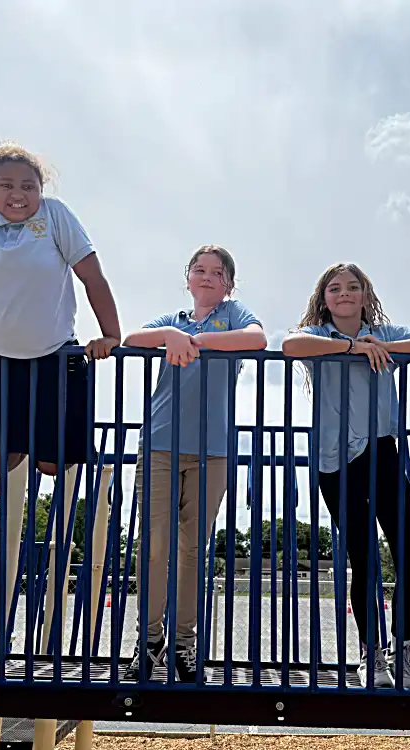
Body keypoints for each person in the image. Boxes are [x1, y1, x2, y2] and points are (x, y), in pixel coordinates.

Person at [281, 262, 410, 689]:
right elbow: (289, 346)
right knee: (363, 558)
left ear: (365, 294)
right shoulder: (319, 337)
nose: (344, 294)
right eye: (334, 288)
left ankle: (401, 652)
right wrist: (352, 350)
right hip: (335, 460)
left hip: (383, 451)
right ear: (323, 299)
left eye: (353, 287)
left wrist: (384, 347)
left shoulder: (385, 335)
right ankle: (371, 655)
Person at [0, 142, 122, 478]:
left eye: (29, 186)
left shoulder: (55, 214)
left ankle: (39, 435)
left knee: (51, 465)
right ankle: (22, 431)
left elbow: (92, 276)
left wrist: (111, 334)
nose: (18, 194)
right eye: (6, 185)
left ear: (41, 191)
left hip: (53, 354)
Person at [121, 244, 266, 681]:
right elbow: (131, 339)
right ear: (187, 278)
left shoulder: (234, 314)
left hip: (213, 449)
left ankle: (183, 644)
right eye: (199, 270)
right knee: (154, 544)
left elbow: (257, 339)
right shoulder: (171, 321)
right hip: (161, 442)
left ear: (228, 283)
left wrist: (195, 341)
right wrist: (171, 336)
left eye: (216, 272)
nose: (206, 277)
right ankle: (148, 640)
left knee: (192, 549)